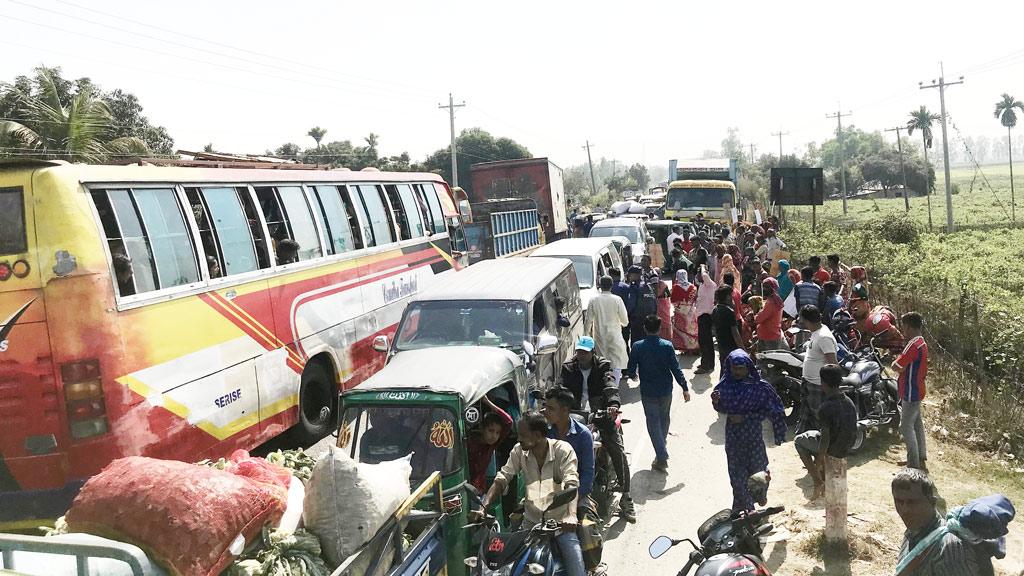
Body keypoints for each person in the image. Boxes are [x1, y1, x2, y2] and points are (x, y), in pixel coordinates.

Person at [480, 412, 586, 576]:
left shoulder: (563, 451)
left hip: (560, 526)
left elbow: (572, 484)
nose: (518, 439)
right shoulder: (519, 451)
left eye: (522, 435)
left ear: (537, 436)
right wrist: (484, 506)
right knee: (508, 570)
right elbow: (503, 478)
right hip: (530, 525)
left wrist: (571, 515)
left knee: (577, 571)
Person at [711, 350, 787, 513]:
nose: (737, 372)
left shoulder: (760, 388)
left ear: (748, 368)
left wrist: (745, 417)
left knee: (759, 472)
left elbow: (772, 410)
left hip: (753, 437)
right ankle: (747, 508)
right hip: (734, 439)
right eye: (734, 368)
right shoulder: (724, 387)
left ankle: (758, 496)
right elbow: (722, 408)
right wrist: (716, 402)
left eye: (741, 368)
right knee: (737, 476)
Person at [625, 315, 691, 473]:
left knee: (652, 423)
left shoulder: (637, 346)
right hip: (666, 390)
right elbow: (676, 369)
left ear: (645, 328)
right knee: (664, 419)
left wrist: (634, 376)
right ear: (659, 329)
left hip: (648, 392)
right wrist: (684, 387)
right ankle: (661, 449)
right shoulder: (667, 346)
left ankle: (661, 455)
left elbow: (630, 369)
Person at [891, 468, 980, 576]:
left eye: (912, 502)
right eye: (899, 502)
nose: (905, 510)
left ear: (932, 502)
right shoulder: (912, 532)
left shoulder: (949, 546)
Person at [794, 364, 858, 500]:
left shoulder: (825, 407)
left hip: (832, 448)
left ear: (822, 383)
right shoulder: (849, 402)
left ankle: (817, 481)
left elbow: (825, 438)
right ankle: (823, 478)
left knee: (799, 441)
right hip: (846, 447)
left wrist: (819, 459)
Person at [892, 312, 929, 471]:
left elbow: (897, 366)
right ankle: (921, 455)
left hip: (910, 390)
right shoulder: (922, 342)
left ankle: (913, 462)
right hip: (918, 389)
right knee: (917, 424)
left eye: (904, 327)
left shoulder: (913, 344)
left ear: (908, 326)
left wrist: (895, 361)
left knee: (906, 426)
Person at [799, 305, 838, 431]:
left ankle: (824, 445)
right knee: (808, 416)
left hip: (818, 385)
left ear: (806, 320)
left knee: (819, 418)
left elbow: (832, 362)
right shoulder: (816, 333)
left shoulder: (824, 337)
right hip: (809, 382)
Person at [585, 276, 630, 384]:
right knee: (616, 363)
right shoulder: (617, 299)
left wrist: (587, 336)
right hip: (615, 335)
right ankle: (614, 388)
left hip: (600, 336)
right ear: (611, 286)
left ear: (600, 285)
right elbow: (625, 321)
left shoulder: (593, 300)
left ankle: (604, 387)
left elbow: (588, 321)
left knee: (602, 363)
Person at [467, 397, 514, 493]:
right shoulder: (469, 441)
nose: (494, 436)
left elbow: (509, 422)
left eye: (497, 433)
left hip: (478, 489)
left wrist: (488, 402)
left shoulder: (491, 445)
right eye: (491, 431)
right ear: (482, 428)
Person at [693, 264, 718, 374]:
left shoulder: (710, 284)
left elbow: (704, 275)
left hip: (707, 316)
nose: (697, 276)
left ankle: (706, 365)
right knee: (704, 341)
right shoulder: (702, 286)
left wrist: (703, 267)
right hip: (701, 316)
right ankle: (706, 363)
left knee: (705, 341)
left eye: (698, 274)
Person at [624, 265, 657, 344]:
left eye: (630, 275)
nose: (628, 277)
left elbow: (631, 305)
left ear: (635, 275)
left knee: (637, 343)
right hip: (650, 319)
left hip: (637, 321)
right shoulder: (648, 286)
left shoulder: (634, 287)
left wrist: (628, 315)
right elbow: (655, 302)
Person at [712, 285, 742, 369]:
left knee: (724, 368)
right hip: (731, 346)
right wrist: (742, 349)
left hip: (721, 345)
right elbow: (735, 333)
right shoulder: (729, 312)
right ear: (727, 297)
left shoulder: (715, 310)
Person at [754, 277, 787, 351]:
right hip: (773, 334)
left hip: (768, 336)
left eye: (767, 287)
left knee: (766, 360)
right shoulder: (777, 299)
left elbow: (759, 319)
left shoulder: (771, 302)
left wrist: (755, 315)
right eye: (764, 286)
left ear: (772, 288)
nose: (764, 289)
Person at [670, 270, 699, 354]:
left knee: (682, 330)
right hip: (691, 312)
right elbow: (695, 299)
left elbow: (673, 300)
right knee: (691, 330)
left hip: (680, 313)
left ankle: (685, 348)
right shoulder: (693, 287)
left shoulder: (676, 287)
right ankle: (693, 348)